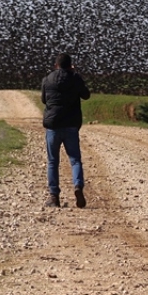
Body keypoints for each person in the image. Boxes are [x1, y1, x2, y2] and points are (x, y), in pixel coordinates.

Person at [41, 52, 91, 208]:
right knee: (75, 159)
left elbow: (44, 99)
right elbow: (86, 95)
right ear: (70, 65)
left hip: (53, 126)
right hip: (71, 126)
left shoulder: (47, 79)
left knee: (52, 162)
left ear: (56, 65)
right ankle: (77, 186)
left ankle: (54, 197)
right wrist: (75, 75)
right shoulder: (74, 78)